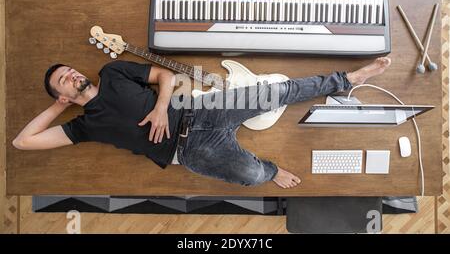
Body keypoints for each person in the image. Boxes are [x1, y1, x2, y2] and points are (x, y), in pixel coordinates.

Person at [12, 57, 391, 189]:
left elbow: (164, 77)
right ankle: (271, 170)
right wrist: (60, 107)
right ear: (63, 95)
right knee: (249, 175)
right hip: (187, 149)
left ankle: (346, 80)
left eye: (70, 69)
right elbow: (23, 143)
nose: (73, 73)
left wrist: (161, 108)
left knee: (275, 90)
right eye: (64, 79)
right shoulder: (82, 127)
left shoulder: (111, 72)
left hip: (198, 110)